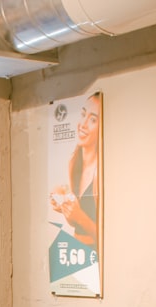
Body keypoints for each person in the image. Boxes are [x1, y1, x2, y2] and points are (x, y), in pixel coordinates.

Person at [49, 92, 102, 248]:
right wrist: (64, 207)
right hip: (76, 252)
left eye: (93, 120)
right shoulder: (74, 163)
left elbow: (104, 235)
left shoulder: (99, 174)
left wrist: (79, 217)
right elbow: (76, 222)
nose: (83, 124)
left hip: (95, 259)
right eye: (83, 114)